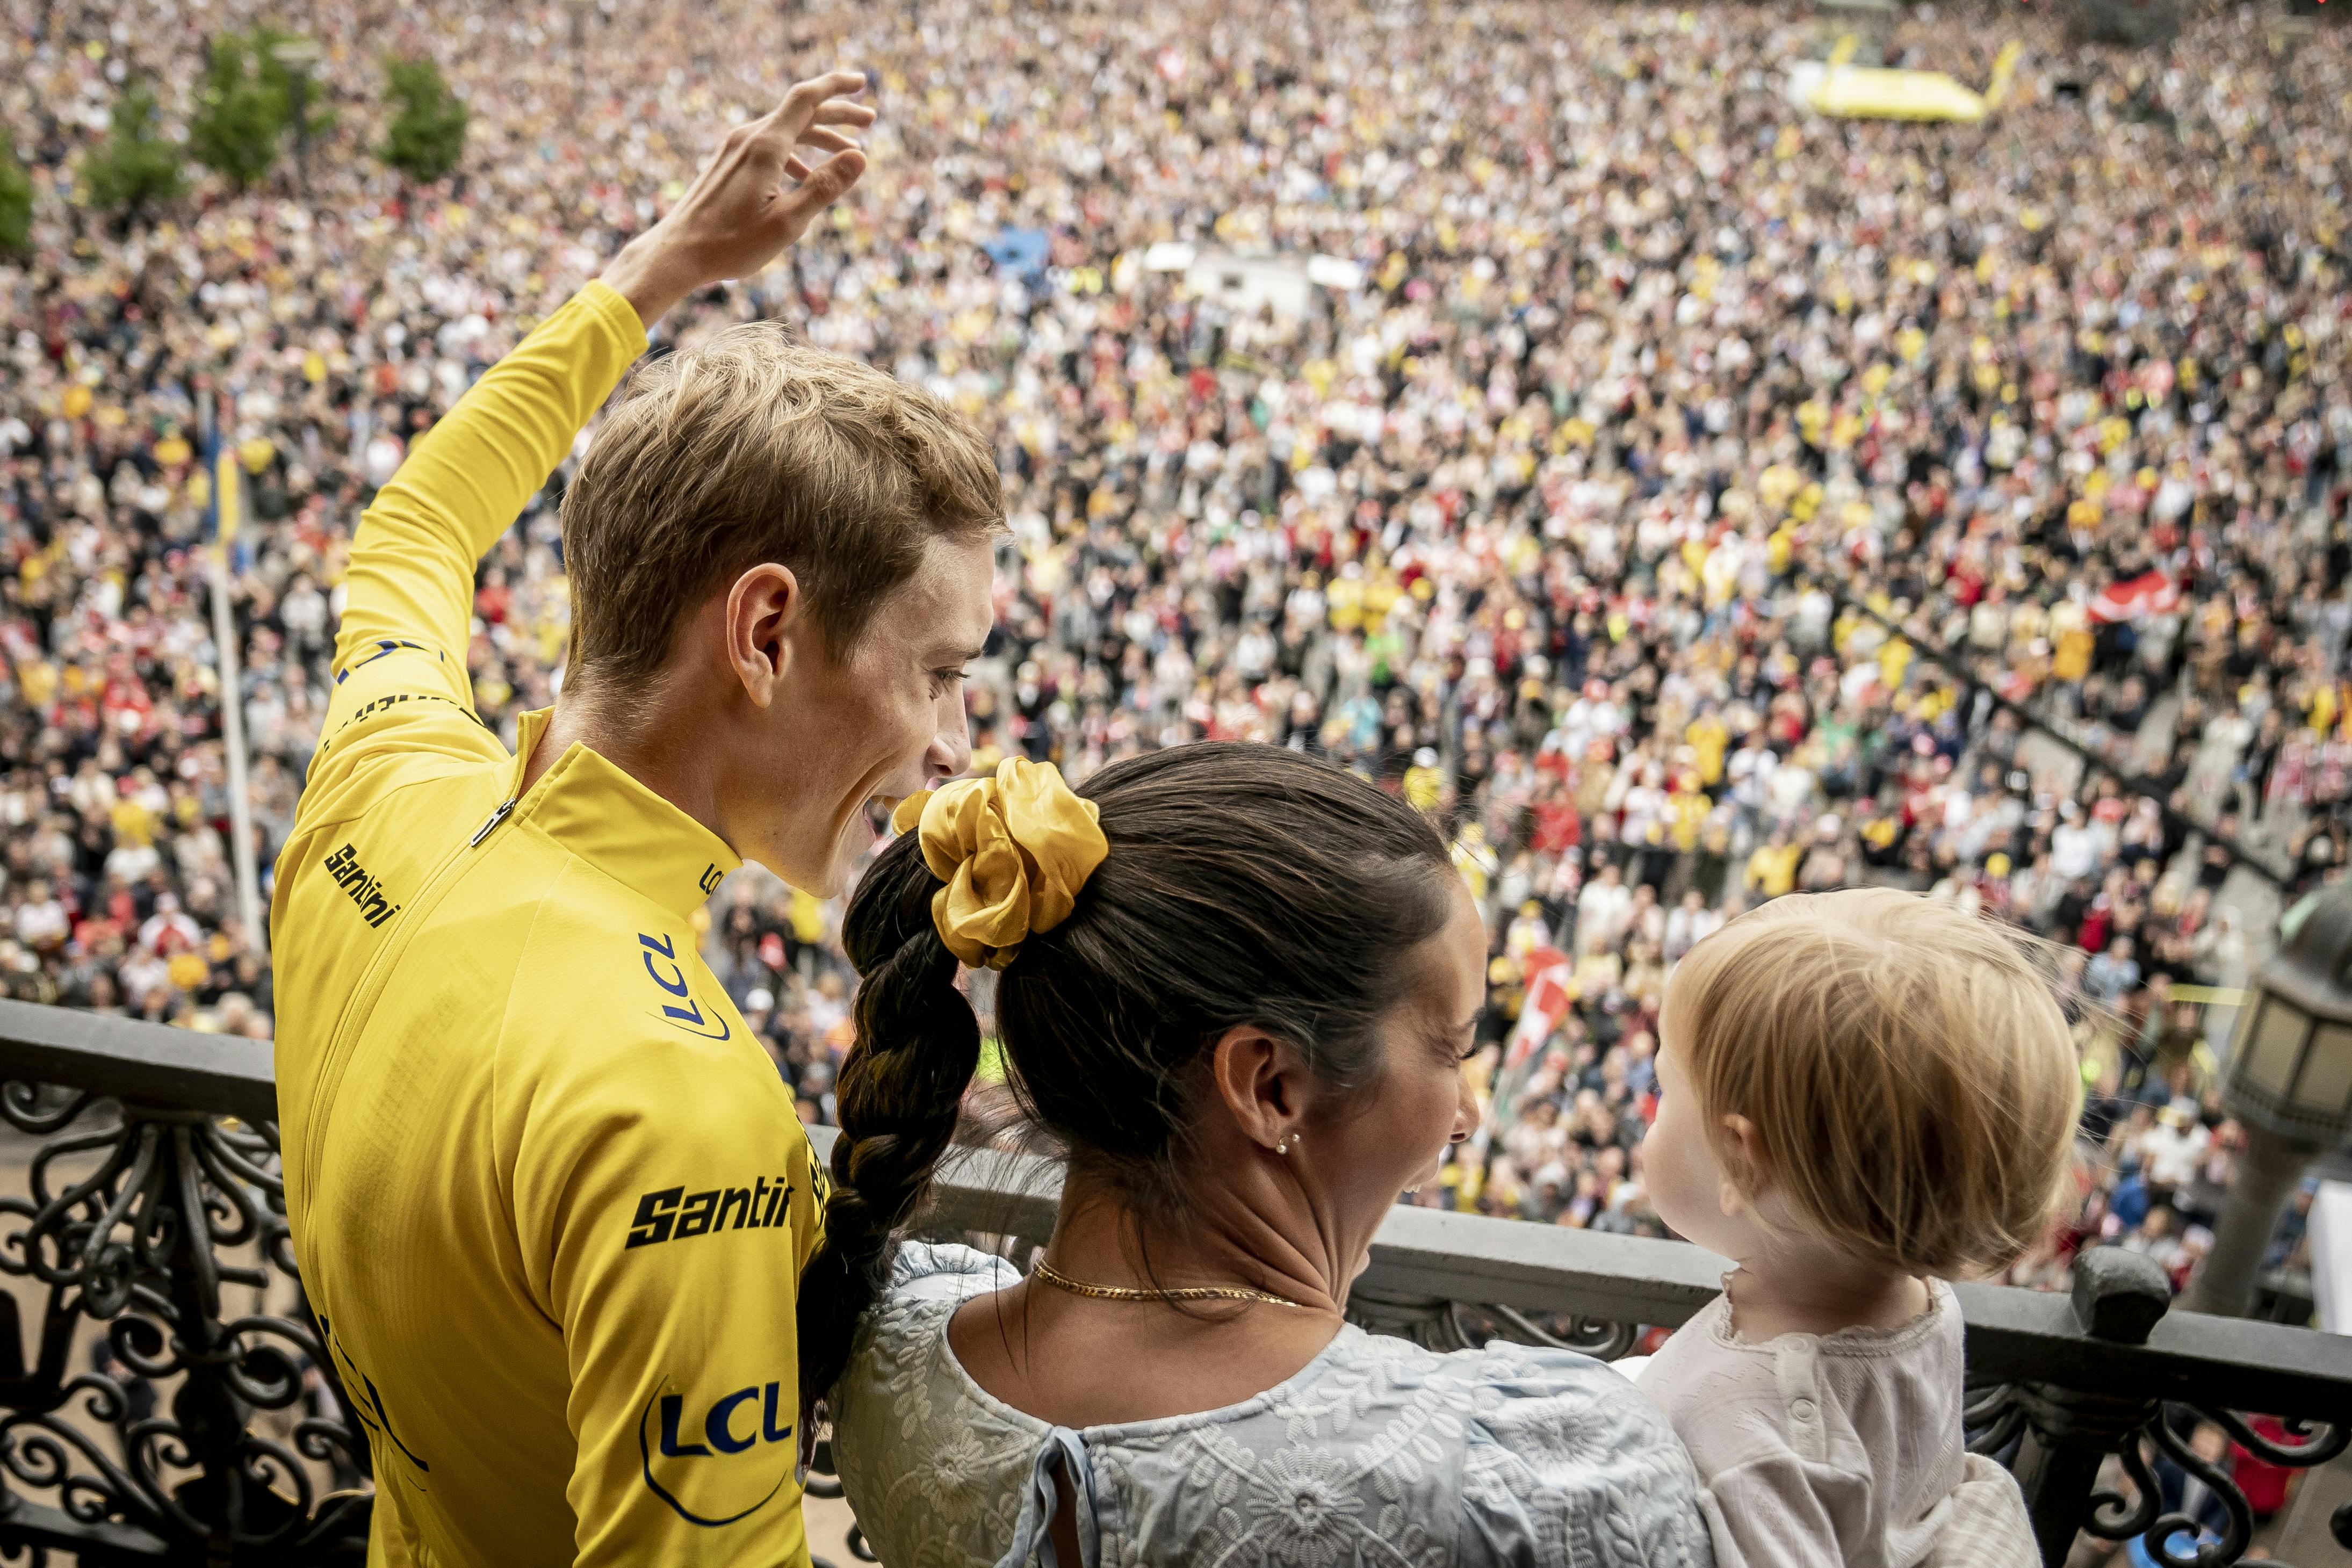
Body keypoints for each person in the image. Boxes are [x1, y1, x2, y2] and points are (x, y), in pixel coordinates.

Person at [268, 73, 1000, 1565]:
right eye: (937, 670)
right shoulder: (680, 1110)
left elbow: (410, 529)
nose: (952, 739)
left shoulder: (387, 768)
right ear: (767, 630)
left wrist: (666, 263)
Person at [820, 743, 1714, 1566]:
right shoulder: (1528, 1479)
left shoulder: (883, 1345)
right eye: (1450, 1047)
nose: (1467, 1113)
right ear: (1269, 1084)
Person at [1635, 889, 2076, 1565]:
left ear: (1740, 1159)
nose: (1650, 1111)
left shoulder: (1737, 1432)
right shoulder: (1925, 1307)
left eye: (1666, 1090)